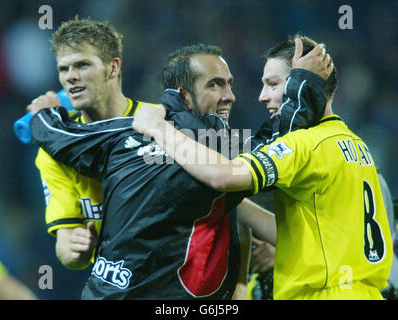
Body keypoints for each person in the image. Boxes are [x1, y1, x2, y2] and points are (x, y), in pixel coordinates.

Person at [28, 41, 329, 299]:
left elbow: (60, 139)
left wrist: (45, 113)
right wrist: (304, 82)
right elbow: (277, 138)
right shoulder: (216, 147)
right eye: (215, 84)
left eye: (229, 84)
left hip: (102, 291)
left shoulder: (126, 131)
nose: (230, 96)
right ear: (184, 95)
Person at [132, 35, 393, 300]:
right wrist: (227, 202)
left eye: (272, 84)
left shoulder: (304, 145)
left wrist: (158, 128)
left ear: (300, 86)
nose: (262, 96)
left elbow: (224, 176)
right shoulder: (353, 143)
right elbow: (300, 234)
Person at [27, 17, 156, 270]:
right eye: (64, 69)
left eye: (82, 65)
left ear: (113, 68)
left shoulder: (157, 123)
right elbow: (64, 247)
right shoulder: (53, 151)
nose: (71, 77)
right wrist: (77, 250)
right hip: (113, 284)